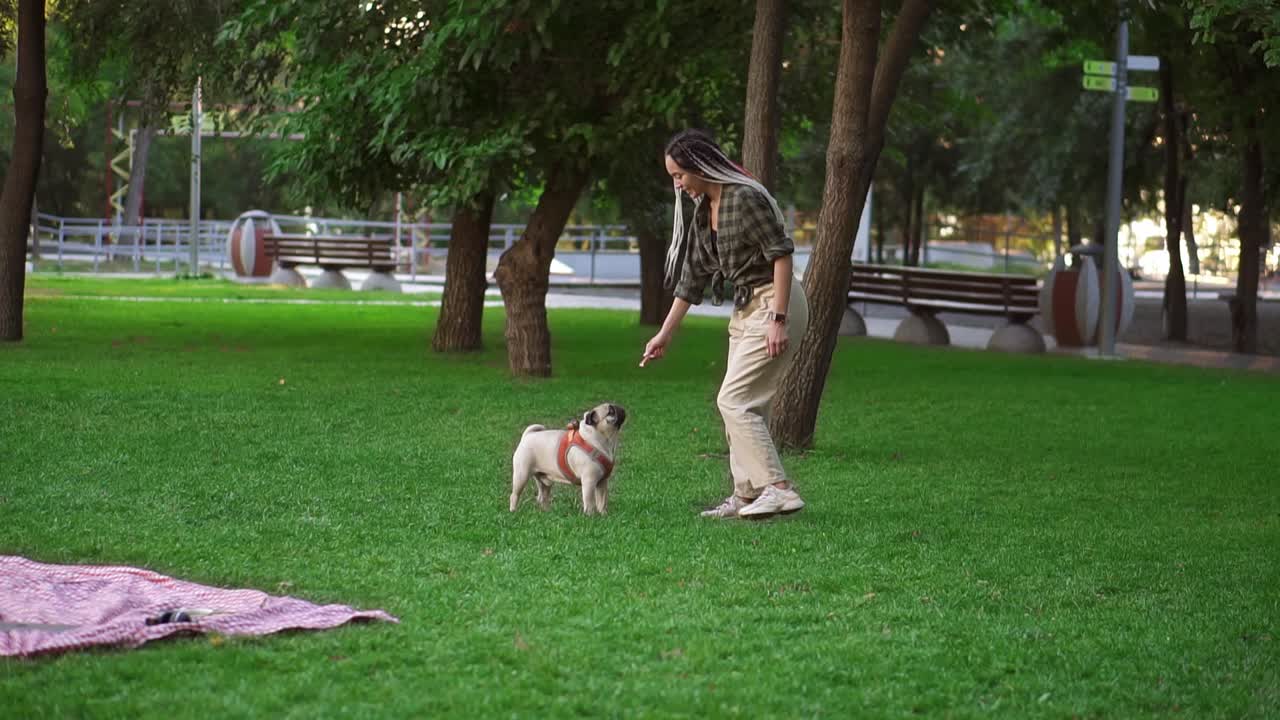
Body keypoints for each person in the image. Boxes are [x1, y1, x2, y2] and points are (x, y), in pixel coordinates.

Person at [641, 129, 810, 520]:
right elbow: (692, 278)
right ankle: (747, 495)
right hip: (747, 307)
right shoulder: (705, 212)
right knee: (746, 405)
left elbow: (781, 256)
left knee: (732, 400)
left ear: (700, 166)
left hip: (775, 301)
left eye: (679, 175)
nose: (677, 185)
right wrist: (664, 334)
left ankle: (779, 489)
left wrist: (778, 319)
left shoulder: (745, 198)